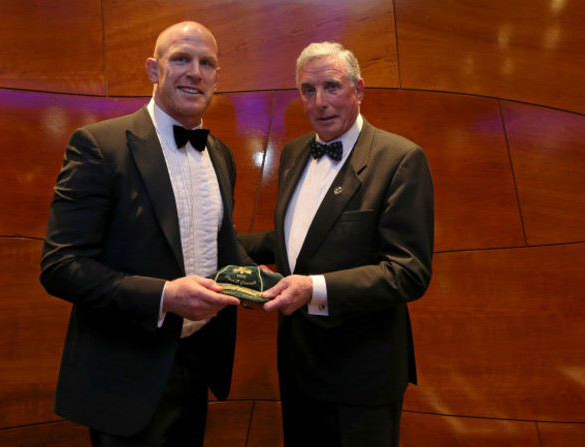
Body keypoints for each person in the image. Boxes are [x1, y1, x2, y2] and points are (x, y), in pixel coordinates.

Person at [40, 21, 252, 447]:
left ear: (217, 78)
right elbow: (61, 266)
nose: (195, 72)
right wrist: (164, 296)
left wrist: (268, 284)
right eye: (181, 59)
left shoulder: (221, 154)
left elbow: (221, 246)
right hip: (123, 378)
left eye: (206, 63)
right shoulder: (100, 145)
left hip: (197, 367)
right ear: (154, 70)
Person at [239, 42, 434, 446]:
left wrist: (313, 288)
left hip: (362, 377)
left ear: (359, 89)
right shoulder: (293, 152)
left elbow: (408, 272)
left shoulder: (400, 159)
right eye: (308, 90)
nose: (320, 102)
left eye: (332, 86)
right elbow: (298, 241)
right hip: (297, 369)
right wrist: (223, 244)